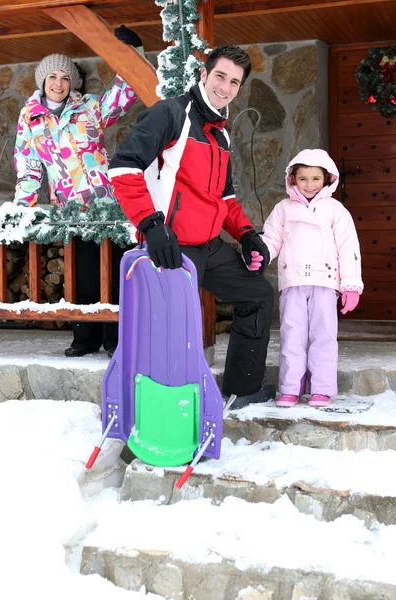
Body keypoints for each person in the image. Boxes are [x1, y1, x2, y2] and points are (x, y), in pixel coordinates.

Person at [108, 44, 275, 409]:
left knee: (257, 296)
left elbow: (225, 198)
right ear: (204, 74)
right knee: (172, 330)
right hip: (172, 246)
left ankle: (242, 390)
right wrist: (151, 225)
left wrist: (246, 234)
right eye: (220, 76)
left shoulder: (221, 133)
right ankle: (164, 410)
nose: (226, 87)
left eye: (234, 81)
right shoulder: (171, 114)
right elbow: (123, 167)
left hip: (210, 245)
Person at [13, 27, 143, 358]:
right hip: (72, 209)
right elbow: (29, 167)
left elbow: (123, 93)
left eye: (65, 78)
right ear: (42, 81)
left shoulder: (89, 108)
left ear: (73, 83)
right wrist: (21, 208)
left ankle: (116, 339)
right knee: (82, 275)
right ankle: (84, 339)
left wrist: (132, 51)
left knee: (115, 273)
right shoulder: (31, 119)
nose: (58, 83)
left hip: (109, 205)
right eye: (52, 77)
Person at [261, 149, 364, 408]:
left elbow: (348, 247)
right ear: (293, 179)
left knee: (324, 335)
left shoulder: (335, 210)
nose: (309, 185)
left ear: (327, 179)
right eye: (303, 178)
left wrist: (350, 284)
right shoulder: (283, 209)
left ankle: (321, 387)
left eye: (315, 178)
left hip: (325, 282)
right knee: (292, 335)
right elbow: (272, 239)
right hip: (293, 281)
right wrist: (261, 255)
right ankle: (290, 387)